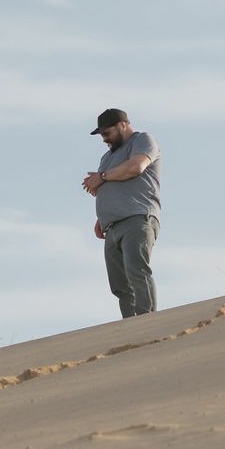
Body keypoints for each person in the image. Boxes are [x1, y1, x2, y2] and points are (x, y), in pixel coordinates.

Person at [81, 109, 162, 318]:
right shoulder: (107, 157)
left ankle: (148, 323)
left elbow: (137, 166)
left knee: (137, 272)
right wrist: (102, 217)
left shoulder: (142, 140)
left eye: (107, 133)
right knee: (119, 285)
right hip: (112, 227)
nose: (104, 139)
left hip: (137, 218)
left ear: (123, 125)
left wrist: (103, 176)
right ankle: (131, 330)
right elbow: (109, 185)